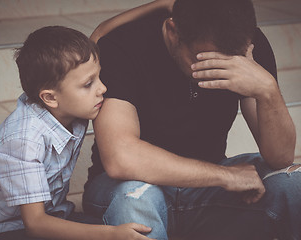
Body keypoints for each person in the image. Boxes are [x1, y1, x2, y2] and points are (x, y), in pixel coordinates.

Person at [82, 0, 301, 239]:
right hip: (131, 185)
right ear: (172, 31)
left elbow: (280, 157)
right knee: (134, 199)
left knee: (293, 183)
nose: (212, 70)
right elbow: (120, 157)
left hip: (206, 191)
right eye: (201, 60)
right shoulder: (123, 45)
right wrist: (225, 176)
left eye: (228, 64)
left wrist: (267, 90)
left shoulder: (247, 44)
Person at [0, 26, 156, 240]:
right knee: (108, 233)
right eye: (88, 84)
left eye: (99, 77)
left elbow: (102, 33)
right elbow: (35, 225)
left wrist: (163, 5)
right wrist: (110, 234)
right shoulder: (23, 139)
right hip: (4, 231)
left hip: (55, 216)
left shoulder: (70, 106)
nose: (102, 88)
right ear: (50, 98)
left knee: (118, 225)